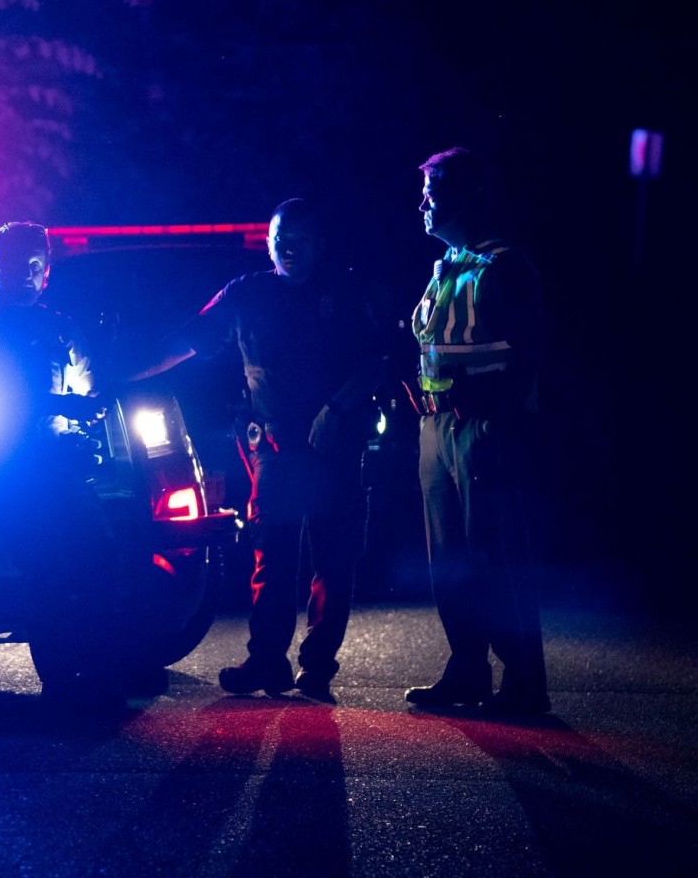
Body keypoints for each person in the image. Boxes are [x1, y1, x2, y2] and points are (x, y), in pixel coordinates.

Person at [117, 198, 387, 703]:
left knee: (333, 557)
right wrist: (116, 376)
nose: (288, 249)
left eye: (299, 240)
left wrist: (336, 409)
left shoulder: (346, 292)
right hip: (275, 447)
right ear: (268, 242)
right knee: (272, 552)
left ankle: (317, 667)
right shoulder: (248, 294)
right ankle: (267, 661)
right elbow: (186, 343)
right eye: (279, 239)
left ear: (319, 245)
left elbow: (377, 361)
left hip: (334, 443)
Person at [0, 221, 148, 708]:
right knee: (50, 573)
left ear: (47, 270)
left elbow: (91, 385)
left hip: (57, 468)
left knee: (96, 564)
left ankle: (95, 676)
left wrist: (97, 391)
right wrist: (66, 407)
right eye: (15, 264)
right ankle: (61, 682)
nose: (25, 275)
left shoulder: (60, 325)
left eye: (35, 265)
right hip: (6, 471)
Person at [403, 146, 550, 718]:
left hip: (481, 429)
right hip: (437, 429)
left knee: (494, 555)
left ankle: (523, 683)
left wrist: (491, 417)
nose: (423, 204)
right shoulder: (448, 266)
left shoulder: (504, 264)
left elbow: (528, 353)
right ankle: (467, 669)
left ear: (467, 197)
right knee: (450, 559)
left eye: (433, 192)